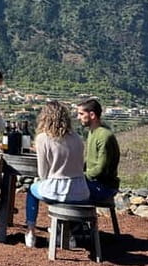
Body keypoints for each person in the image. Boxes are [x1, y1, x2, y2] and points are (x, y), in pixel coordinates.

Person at [24, 101, 90, 248]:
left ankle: (30, 231)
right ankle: (67, 233)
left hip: (56, 189)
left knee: (32, 191)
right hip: (80, 190)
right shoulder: (77, 138)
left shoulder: (43, 138)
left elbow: (42, 174)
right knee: (63, 198)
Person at [76, 97, 120, 202]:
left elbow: (100, 169)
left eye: (81, 114)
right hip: (94, 183)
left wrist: (81, 176)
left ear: (92, 115)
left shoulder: (104, 136)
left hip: (103, 186)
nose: (78, 117)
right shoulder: (92, 133)